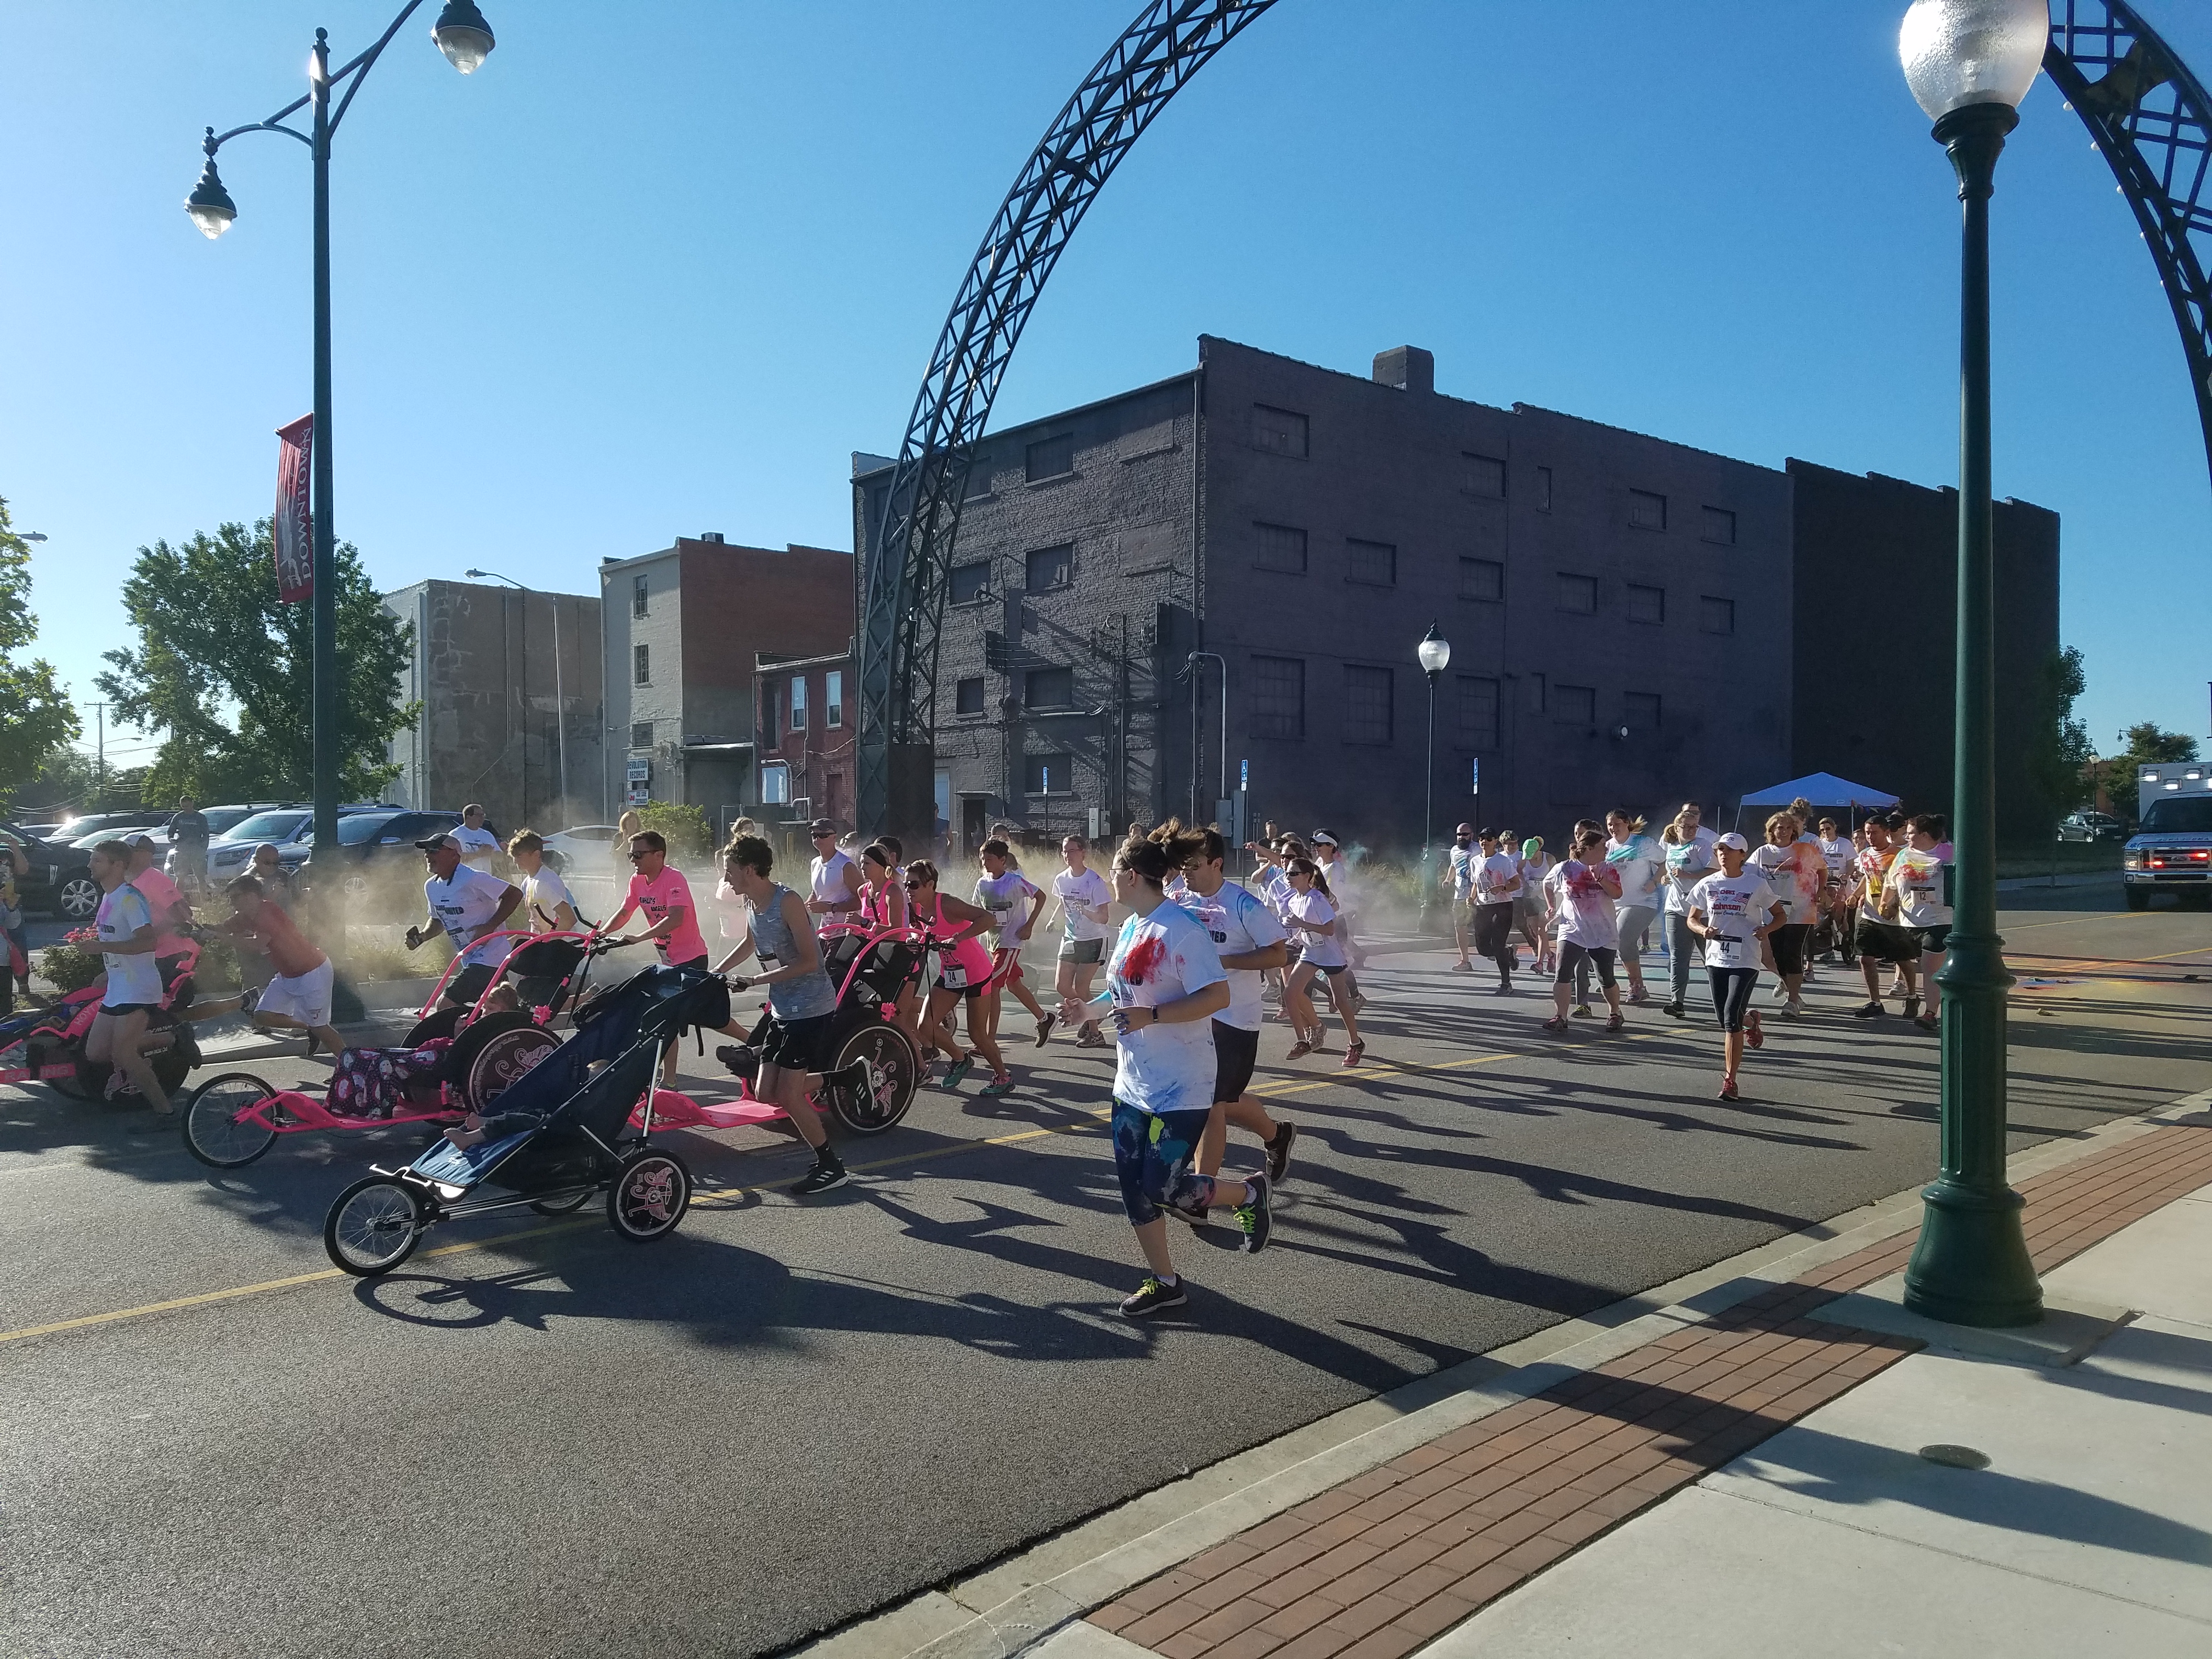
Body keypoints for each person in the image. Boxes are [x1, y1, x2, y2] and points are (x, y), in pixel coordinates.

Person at [1088, 825, 1272, 1318]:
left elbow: (1217, 996)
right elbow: (1127, 990)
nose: (1108, 879)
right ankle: (1166, 1281)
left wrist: (1153, 1017)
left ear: (1130, 876)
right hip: (1133, 1079)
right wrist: (1088, 1010)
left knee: (1164, 1187)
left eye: (1112, 872)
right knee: (1133, 1188)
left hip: (1182, 1083)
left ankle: (1248, 1192)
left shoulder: (1181, 929)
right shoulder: (1132, 925)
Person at [712, 836, 860, 1197]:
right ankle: (846, 1076)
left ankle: (831, 1166)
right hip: (782, 1007)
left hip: (810, 1007)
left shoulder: (788, 902)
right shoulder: (751, 901)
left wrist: (753, 980)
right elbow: (751, 943)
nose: (727, 879)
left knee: (790, 1097)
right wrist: (715, 972)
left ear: (750, 869)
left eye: (731, 872)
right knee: (765, 1092)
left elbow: (811, 961)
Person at [1171, 822, 1297, 1185]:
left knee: (1211, 1103)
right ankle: (1277, 1135)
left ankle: (1200, 1193)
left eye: (1193, 866)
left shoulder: (1243, 905)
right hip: (1192, 1015)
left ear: (1216, 864)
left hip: (1234, 1018)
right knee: (1223, 1100)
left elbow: (1279, 955)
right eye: (1183, 867)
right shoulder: (1180, 899)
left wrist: (1225, 962)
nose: (1186, 873)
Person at [1687, 832, 1786, 1101]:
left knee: (1730, 1017)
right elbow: (1692, 918)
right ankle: (1751, 1021)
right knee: (1725, 1020)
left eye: (1729, 850)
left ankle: (1730, 1080)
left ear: (1742, 854)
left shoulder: (1755, 884)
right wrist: (1703, 929)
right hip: (1716, 957)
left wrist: (1766, 930)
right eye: (1720, 849)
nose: (1723, 853)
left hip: (1746, 958)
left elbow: (1780, 915)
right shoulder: (1708, 883)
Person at [200, 874, 346, 1056]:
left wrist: (220, 937)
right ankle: (309, 1027)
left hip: (313, 972)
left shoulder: (268, 912)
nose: (231, 903)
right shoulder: (245, 915)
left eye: (234, 898)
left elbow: (256, 945)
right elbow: (223, 928)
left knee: (323, 1029)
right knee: (262, 1015)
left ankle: (353, 1070)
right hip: (288, 975)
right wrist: (199, 930)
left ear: (252, 896)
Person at [904, 859, 1009, 1092]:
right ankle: (961, 1059)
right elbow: (925, 934)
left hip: (975, 973)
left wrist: (959, 937)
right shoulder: (916, 907)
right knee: (925, 1026)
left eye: (913, 885)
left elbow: (988, 919)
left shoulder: (947, 904)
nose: (908, 890)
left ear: (930, 884)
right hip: (950, 973)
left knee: (978, 1035)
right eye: (906, 885)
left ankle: (1003, 1077)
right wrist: (917, 941)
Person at [84, 840, 172, 1114]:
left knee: (124, 1054)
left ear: (118, 865)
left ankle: (165, 1113)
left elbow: (148, 943)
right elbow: (120, 940)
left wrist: (102, 948)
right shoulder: (109, 897)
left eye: (97, 860)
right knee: (95, 1053)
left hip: (138, 988)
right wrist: (108, 971)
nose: (89, 865)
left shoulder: (130, 898)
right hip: (119, 986)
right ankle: (171, 1038)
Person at [404, 832, 523, 1009]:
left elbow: (515, 894)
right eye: (427, 851)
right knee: (496, 1009)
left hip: (490, 958)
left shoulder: (474, 878)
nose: (428, 855)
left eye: (435, 850)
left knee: (445, 1005)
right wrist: (421, 937)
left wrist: (490, 926)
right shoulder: (431, 886)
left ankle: (455, 1035)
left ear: (455, 854)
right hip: (469, 959)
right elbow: (438, 920)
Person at [1541, 828, 1625, 1034]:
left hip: (1602, 930)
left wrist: (1601, 880)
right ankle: (1561, 1016)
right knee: (1562, 973)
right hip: (1572, 929)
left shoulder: (1608, 868)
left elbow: (1617, 893)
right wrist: (1551, 906)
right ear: (1588, 848)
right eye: (1602, 847)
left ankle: (1615, 1012)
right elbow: (1547, 884)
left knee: (1605, 977)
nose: (1606, 850)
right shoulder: (1565, 868)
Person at [973, 839, 1053, 1050]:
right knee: (1013, 984)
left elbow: (1041, 897)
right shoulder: (982, 883)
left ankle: (989, 1040)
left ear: (1002, 860)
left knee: (992, 987)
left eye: (989, 860)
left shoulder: (1015, 881)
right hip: (993, 941)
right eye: (983, 860)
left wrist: (1029, 925)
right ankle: (1044, 1018)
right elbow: (976, 910)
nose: (985, 864)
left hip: (1010, 941)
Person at [1282, 857, 1363, 1064]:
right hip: (1310, 953)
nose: (1288, 877)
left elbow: (1329, 929)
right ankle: (1302, 1040)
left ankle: (1355, 1043)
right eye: (1287, 873)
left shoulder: (1317, 898)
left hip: (1329, 954)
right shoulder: (1293, 900)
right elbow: (1305, 929)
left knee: (1340, 1002)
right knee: (1290, 993)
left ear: (1307, 876)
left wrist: (1301, 923)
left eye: (1294, 873)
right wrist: (1296, 935)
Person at [1748, 811, 1822, 1017]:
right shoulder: (1762, 853)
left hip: (1801, 909)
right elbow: (1749, 876)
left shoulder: (1805, 850)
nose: (1784, 831)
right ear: (1771, 830)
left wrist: (1822, 890)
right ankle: (1789, 985)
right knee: (1774, 956)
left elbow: (1822, 869)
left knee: (1792, 953)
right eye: (1779, 828)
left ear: (1794, 831)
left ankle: (1792, 1002)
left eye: (1788, 828)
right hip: (1773, 911)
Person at [1849, 815, 1920, 1019]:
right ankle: (1875, 1002)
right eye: (1868, 832)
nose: (1870, 836)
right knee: (1865, 957)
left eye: (1874, 832)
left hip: (1895, 918)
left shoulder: (1900, 855)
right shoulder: (1865, 855)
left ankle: (1913, 996)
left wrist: (1895, 904)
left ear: (1886, 832)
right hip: (1870, 914)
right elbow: (1867, 877)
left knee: (1903, 959)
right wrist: (1856, 895)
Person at [1889, 814, 1953, 1032]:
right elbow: (1891, 883)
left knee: (1929, 968)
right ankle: (1927, 1000)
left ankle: (1930, 1013)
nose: (1906, 837)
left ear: (1925, 835)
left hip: (1939, 920)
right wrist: (1887, 903)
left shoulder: (1948, 853)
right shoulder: (1903, 855)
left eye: (1910, 833)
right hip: (1909, 922)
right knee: (1921, 966)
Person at [1051, 834, 1114, 1048]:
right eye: (1064, 851)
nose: (1067, 855)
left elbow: (1104, 917)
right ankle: (1093, 1012)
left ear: (1083, 853)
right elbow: (1063, 903)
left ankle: (1095, 1032)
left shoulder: (1094, 881)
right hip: (1070, 938)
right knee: (1061, 985)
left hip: (1093, 938)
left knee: (1082, 987)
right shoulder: (1061, 879)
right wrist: (1053, 920)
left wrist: (1086, 912)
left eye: (1072, 851)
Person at [125, 834, 197, 1006]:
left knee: (162, 1011)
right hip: (151, 956)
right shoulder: (137, 880)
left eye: (129, 851)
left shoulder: (154, 879)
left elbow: (181, 915)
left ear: (145, 854)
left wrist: (149, 936)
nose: (124, 856)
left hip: (167, 957)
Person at [1658, 809, 1717, 1019]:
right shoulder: (1671, 846)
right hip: (1676, 907)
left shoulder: (1702, 845)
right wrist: (1667, 878)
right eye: (1687, 827)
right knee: (1678, 958)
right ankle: (1677, 1002)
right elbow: (1670, 871)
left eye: (1694, 826)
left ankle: (1722, 1000)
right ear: (1677, 828)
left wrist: (1688, 875)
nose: (1691, 830)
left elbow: (1714, 871)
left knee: (1710, 957)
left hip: (1702, 909)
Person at [1603, 810, 1664, 1005]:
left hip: (1642, 901)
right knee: (1610, 943)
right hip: (1615, 903)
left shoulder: (1643, 843)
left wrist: (1654, 881)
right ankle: (1607, 980)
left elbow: (1665, 862)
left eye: (1617, 824)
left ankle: (1636, 986)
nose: (1613, 828)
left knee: (1623, 938)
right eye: (1610, 825)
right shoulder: (1607, 847)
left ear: (1627, 823)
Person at [1470, 828, 1522, 994]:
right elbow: (1476, 884)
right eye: (1481, 838)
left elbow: (1516, 883)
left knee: (1498, 944)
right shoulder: (1475, 861)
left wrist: (1503, 888)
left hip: (1503, 906)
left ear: (1495, 842)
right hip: (1483, 906)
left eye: (1488, 839)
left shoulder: (1503, 861)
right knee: (1483, 948)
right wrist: (1471, 899)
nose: (1484, 841)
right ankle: (1509, 953)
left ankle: (1506, 984)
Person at [506, 831, 579, 932]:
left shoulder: (547, 882)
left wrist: (550, 943)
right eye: (514, 856)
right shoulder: (527, 883)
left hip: (556, 945)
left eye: (519, 856)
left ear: (536, 854)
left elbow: (569, 919)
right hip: (539, 943)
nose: (515, 861)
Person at [805, 819, 865, 921]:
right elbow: (816, 893)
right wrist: (802, 908)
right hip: (825, 931)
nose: (818, 839)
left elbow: (864, 900)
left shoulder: (845, 865)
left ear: (834, 837)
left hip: (846, 931)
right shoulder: (815, 863)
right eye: (814, 835)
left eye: (823, 835)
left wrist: (832, 908)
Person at [1815, 816, 1856, 964]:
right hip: (1824, 884)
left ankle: (1847, 939)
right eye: (1822, 830)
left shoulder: (1844, 844)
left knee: (1838, 915)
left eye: (1828, 829)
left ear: (1834, 828)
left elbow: (1851, 864)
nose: (1826, 832)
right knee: (1823, 916)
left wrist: (1846, 876)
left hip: (1840, 884)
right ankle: (1827, 949)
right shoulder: (1819, 844)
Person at [0, 826, 31, 1008]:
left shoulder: (6, 853)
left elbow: (23, 870)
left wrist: (15, 847)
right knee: (3, 950)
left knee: (18, 943)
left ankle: (22, 981)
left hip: (10, 904)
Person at [1443, 823, 1479, 970]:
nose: (1462, 837)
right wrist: (1448, 880)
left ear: (1471, 835)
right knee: (1460, 926)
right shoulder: (1454, 850)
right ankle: (1465, 961)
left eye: (1465, 834)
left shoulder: (1477, 848)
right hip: (1459, 896)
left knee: (1484, 927)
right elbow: (1453, 866)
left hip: (1477, 894)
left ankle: (1504, 950)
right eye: (1459, 835)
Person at [1515, 836, 1551, 970]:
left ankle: (1540, 963)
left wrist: (1543, 889)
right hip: (1530, 898)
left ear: (1539, 849)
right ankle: (1551, 956)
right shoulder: (1525, 860)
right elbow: (1518, 870)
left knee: (1542, 931)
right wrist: (1525, 883)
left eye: (1532, 854)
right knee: (1534, 931)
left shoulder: (1549, 859)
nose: (1529, 857)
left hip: (1545, 899)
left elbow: (1556, 877)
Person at [167, 796, 211, 895]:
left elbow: (206, 834)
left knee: (200, 877)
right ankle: (179, 901)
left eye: (187, 805)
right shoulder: (178, 817)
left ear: (192, 804)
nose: (185, 808)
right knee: (180, 876)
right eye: (183, 806)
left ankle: (203, 902)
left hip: (197, 850)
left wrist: (203, 848)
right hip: (182, 850)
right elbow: (170, 832)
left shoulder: (200, 817)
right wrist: (172, 840)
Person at [453, 803, 501, 875]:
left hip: (485, 878)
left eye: (483, 815)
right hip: (464, 878)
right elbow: (453, 859)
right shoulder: (456, 834)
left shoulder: (487, 835)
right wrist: (478, 854)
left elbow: (500, 858)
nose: (482, 818)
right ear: (468, 817)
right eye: (479, 815)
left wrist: (492, 853)